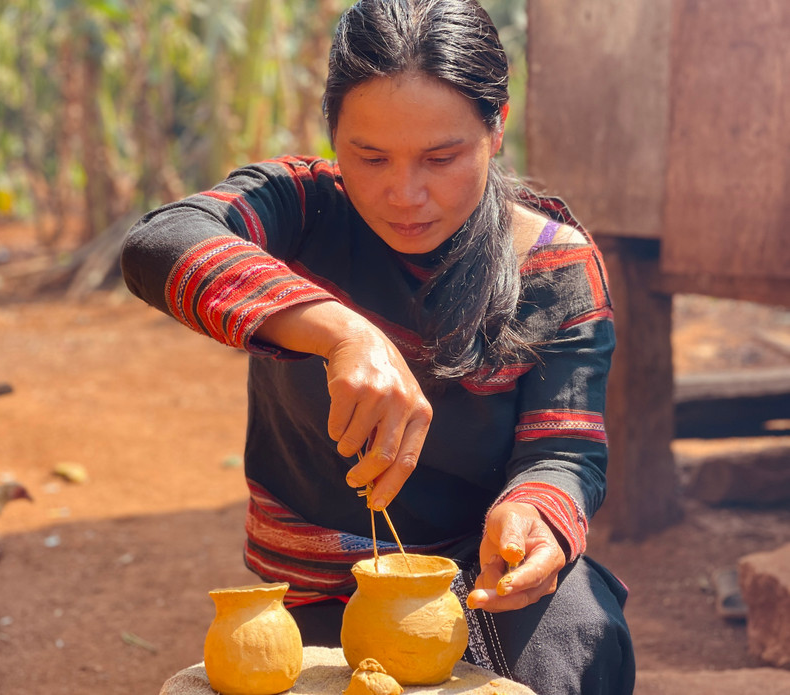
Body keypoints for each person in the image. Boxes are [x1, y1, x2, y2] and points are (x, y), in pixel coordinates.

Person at [121, 1, 635, 692]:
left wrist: (533, 513)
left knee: (577, 628)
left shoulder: (554, 267)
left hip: (473, 580)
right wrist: (341, 331)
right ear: (333, 133)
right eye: (369, 157)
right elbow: (158, 243)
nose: (404, 194)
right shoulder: (299, 209)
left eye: (441, 158)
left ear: (497, 128)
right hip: (317, 590)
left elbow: (564, 451)